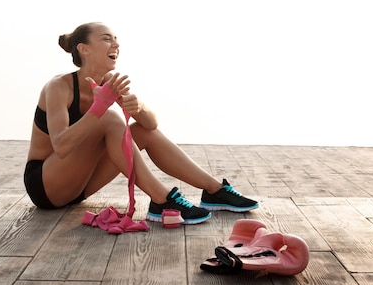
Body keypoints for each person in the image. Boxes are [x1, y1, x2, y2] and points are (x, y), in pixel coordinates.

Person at [24, 22, 258, 224]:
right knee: (111, 119)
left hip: (79, 187)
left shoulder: (108, 82)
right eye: (106, 39)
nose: (115, 45)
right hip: (45, 186)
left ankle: (214, 190)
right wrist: (100, 107)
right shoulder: (59, 87)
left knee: (142, 131)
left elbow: (151, 126)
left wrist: (139, 108)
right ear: (83, 49)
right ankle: (161, 199)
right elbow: (61, 146)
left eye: (116, 40)